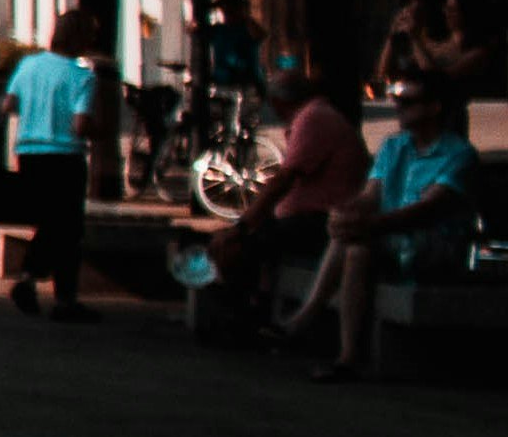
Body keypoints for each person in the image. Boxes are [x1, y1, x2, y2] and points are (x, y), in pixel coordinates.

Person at [298, 81, 482, 384]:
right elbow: (371, 195)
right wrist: (347, 211)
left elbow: (427, 210)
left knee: (355, 239)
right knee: (354, 245)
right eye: (397, 100)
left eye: (407, 102)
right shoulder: (395, 146)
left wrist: (368, 225)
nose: (398, 107)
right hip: (391, 239)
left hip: (435, 245)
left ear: (434, 107)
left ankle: (312, 319)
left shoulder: (458, 154)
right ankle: (346, 354)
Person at [197, 68, 366, 306]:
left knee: (238, 247)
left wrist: (242, 227)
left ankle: (247, 311)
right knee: (236, 241)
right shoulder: (313, 115)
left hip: (318, 219)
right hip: (306, 218)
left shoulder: (313, 118)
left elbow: (284, 180)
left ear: (278, 101)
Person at [0, 8, 111, 321]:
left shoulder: (28, 65)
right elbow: (80, 125)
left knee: (48, 222)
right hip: (64, 157)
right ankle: (59, 296)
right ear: (79, 38)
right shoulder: (82, 77)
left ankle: (32, 282)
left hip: (30, 153)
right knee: (68, 228)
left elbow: (8, 104)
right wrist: (99, 131)